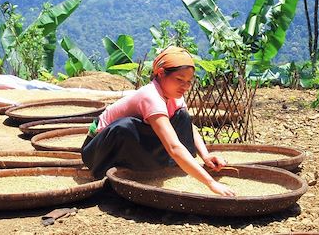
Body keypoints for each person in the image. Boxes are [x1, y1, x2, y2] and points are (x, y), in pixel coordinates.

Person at [81, 46, 236, 196]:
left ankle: (169, 167)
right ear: (161, 73)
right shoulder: (151, 97)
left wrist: (205, 156)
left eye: (189, 81)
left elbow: (188, 126)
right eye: (179, 79)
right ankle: (115, 174)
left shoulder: (174, 96)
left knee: (182, 116)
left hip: (132, 144)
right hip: (97, 151)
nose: (185, 86)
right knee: (125, 127)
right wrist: (210, 183)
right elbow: (173, 147)